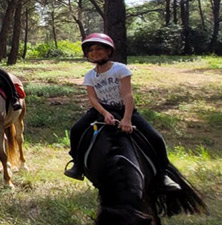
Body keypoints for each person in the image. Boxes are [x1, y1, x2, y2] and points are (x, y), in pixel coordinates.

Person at [64, 33, 180, 190]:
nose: (94, 52)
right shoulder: (90, 75)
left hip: (123, 108)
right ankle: (78, 165)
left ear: (108, 51)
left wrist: (127, 119)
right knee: (76, 130)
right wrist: (104, 113)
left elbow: (127, 94)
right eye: (90, 50)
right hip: (101, 109)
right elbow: (92, 98)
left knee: (156, 137)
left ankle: (163, 174)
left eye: (99, 48)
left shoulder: (120, 69)